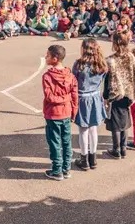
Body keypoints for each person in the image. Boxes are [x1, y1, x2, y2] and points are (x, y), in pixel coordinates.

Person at [103, 30, 135, 159]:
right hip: (128, 93)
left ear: (115, 43)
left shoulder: (110, 60)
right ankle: (123, 148)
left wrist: (106, 96)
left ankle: (116, 149)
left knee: (115, 123)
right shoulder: (131, 56)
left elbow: (107, 80)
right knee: (125, 121)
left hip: (115, 94)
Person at [41, 44, 78, 180]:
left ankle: (57, 170)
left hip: (53, 114)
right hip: (66, 112)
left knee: (55, 142)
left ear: (55, 59)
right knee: (66, 142)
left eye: (48, 55)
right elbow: (74, 96)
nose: (46, 57)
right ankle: (66, 169)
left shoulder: (47, 76)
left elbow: (49, 97)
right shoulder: (70, 75)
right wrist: (74, 111)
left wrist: (64, 99)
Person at [71, 39, 108, 171]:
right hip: (95, 98)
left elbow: (73, 81)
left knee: (83, 130)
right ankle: (93, 158)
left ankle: (84, 159)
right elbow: (103, 79)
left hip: (82, 98)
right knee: (93, 129)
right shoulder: (101, 64)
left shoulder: (79, 64)